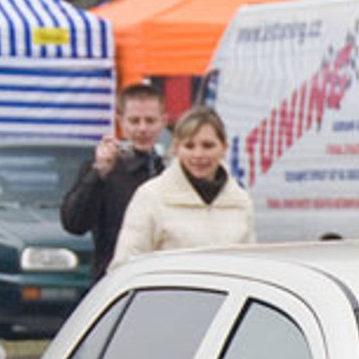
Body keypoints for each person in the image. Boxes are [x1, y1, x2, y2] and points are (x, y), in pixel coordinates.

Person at [111, 106, 255, 267]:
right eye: (189, 146)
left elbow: (249, 268)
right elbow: (124, 266)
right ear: (176, 148)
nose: (198, 155)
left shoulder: (241, 201)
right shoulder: (151, 197)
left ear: (224, 148)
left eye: (207, 146)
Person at [61, 81, 167, 279]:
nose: (142, 129)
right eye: (134, 121)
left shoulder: (169, 171)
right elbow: (74, 223)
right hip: (115, 281)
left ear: (163, 121)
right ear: (120, 122)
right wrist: (98, 174)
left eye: (150, 121)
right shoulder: (105, 168)